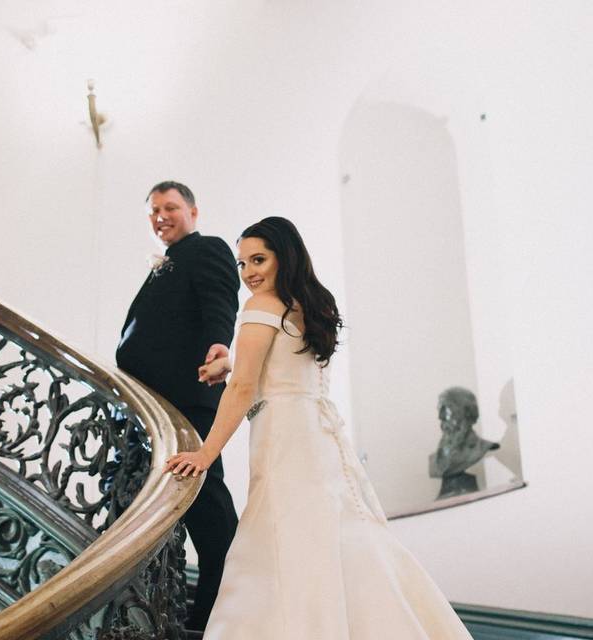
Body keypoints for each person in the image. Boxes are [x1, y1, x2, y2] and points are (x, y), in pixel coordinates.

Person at [165, 217, 474, 639]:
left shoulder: (260, 305)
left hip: (283, 437)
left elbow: (242, 389)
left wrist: (206, 453)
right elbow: (283, 367)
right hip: (319, 435)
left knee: (283, 544)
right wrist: (230, 362)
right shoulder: (309, 307)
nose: (249, 272)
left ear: (283, 255)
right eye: (241, 264)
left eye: (259, 259)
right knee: (333, 540)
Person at [116, 181, 240, 632]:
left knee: (206, 499)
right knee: (176, 504)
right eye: (153, 210)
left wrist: (217, 344)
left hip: (184, 402)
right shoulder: (164, 264)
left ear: (193, 210)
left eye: (170, 207)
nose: (160, 215)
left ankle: (217, 607)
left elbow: (219, 300)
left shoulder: (206, 249)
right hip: (151, 409)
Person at [430, 386, 501, 499]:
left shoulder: (481, 448)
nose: (440, 416)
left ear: (466, 411)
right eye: (440, 409)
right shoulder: (434, 459)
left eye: (446, 408)